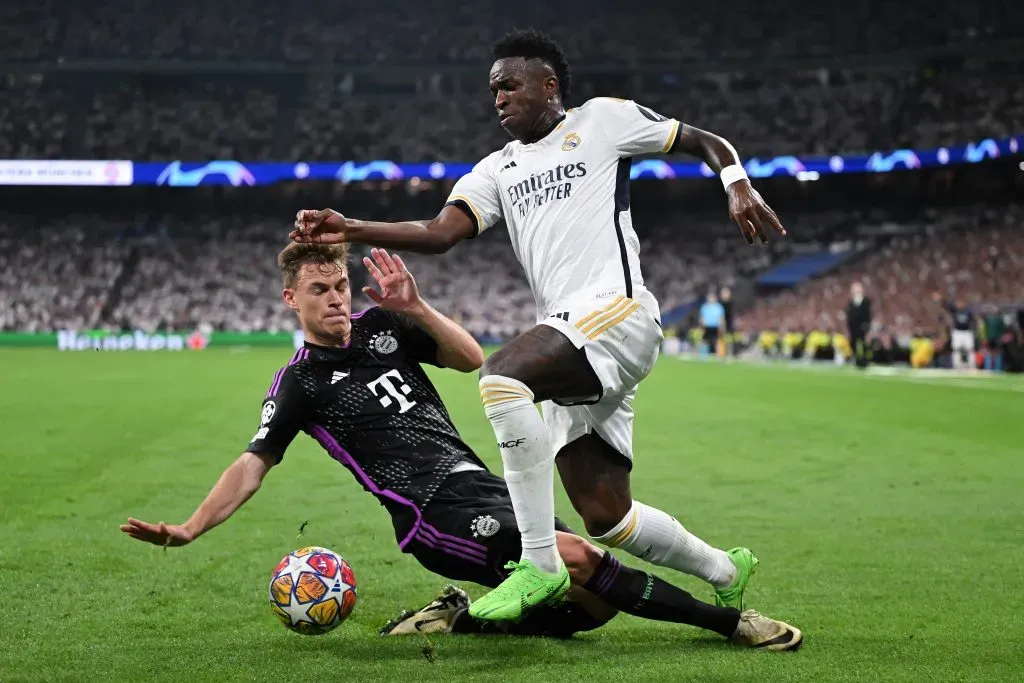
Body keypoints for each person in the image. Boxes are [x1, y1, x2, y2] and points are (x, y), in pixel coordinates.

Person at [290, 28, 789, 622]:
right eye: (492, 90)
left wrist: (736, 184)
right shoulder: (497, 170)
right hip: (571, 338)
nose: (498, 97)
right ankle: (727, 570)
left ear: (549, 85)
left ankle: (540, 564)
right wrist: (352, 228)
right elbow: (438, 234)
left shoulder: (603, 121)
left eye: (509, 85)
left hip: (618, 311)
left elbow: (704, 140)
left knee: (501, 379)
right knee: (607, 516)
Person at [119, 243, 803, 650]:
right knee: (578, 557)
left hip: (483, 480)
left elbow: (473, 357)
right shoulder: (299, 382)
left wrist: (414, 305)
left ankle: (461, 616)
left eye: (339, 286)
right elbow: (252, 462)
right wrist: (188, 527)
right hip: (430, 512)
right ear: (289, 299)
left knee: (585, 609)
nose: (335, 299)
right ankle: (731, 623)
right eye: (318, 291)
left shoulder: (385, 326)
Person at [846, 282, 872, 369]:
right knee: (854, 343)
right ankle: (856, 359)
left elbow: (868, 314)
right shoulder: (850, 303)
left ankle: (865, 360)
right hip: (853, 327)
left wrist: (867, 325)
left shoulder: (866, 301)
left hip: (863, 326)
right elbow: (849, 316)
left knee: (864, 343)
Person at [699, 291, 726, 357]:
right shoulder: (704, 307)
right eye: (710, 298)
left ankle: (719, 355)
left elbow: (721, 318)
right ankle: (703, 355)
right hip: (707, 326)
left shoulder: (718, 307)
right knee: (704, 341)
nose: (711, 299)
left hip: (716, 326)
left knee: (717, 341)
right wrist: (701, 326)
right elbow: (702, 317)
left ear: (715, 298)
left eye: (712, 298)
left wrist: (722, 326)